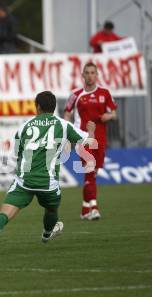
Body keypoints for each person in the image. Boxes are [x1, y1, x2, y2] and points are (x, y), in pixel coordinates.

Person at [0, 91, 96, 256]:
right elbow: (89, 142)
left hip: (25, 180)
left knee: (5, 212)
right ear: (54, 107)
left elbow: (17, 153)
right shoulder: (63, 125)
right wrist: (91, 130)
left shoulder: (25, 126)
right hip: (48, 183)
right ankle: (46, 234)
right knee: (51, 210)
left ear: (37, 106)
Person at [64, 62, 117, 220]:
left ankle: (84, 209)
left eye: (93, 72)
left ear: (97, 75)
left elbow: (113, 113)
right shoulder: (75, 94)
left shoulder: (105, 93)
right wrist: (69, 134)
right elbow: (67, 114)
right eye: (87, 72)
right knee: (89, 170)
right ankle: (94, 207)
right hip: (83, 138)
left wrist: (109, 116)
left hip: (100, 138)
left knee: (92, 174)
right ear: (82, 75)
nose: (90, 75)